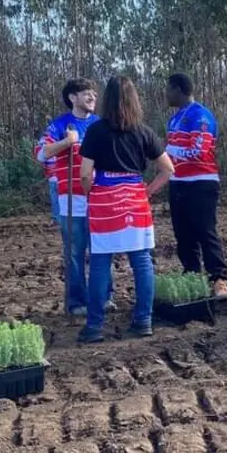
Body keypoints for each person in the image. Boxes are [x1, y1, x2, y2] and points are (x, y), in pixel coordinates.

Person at [77, 74, 175, 343]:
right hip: (135, 199)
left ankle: (94, 327)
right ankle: (143, 321)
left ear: (106, 100)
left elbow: (85, 174)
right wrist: (148, 191)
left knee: (100, 262)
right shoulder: (144, 132)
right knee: (142, 262)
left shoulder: (95, 131)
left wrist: (91, 193)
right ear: (134, 100)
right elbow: (168, 169)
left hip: (105, 200)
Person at [35, 78, 114, 316]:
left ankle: (104, 297)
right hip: (71, 200)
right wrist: (67, 142)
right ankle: (77, 302)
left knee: (102, 249)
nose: (92, 98)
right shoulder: (60, 125)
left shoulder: (101, 124)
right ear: (72, 97)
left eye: (94, 95)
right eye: (87, 94)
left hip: (99, 197)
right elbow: (41, 153)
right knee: (75, 253)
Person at [165, 72, 227, 299]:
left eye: (168, 89)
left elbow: (198, 151)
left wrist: (168, 150)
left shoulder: (201, 115)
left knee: (205, 231)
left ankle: (219, 279)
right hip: (177, 182)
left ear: (178, 89)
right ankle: (192, 277)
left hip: (201, 182)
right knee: (183, 234)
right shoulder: (174, 118)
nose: (166, 94)